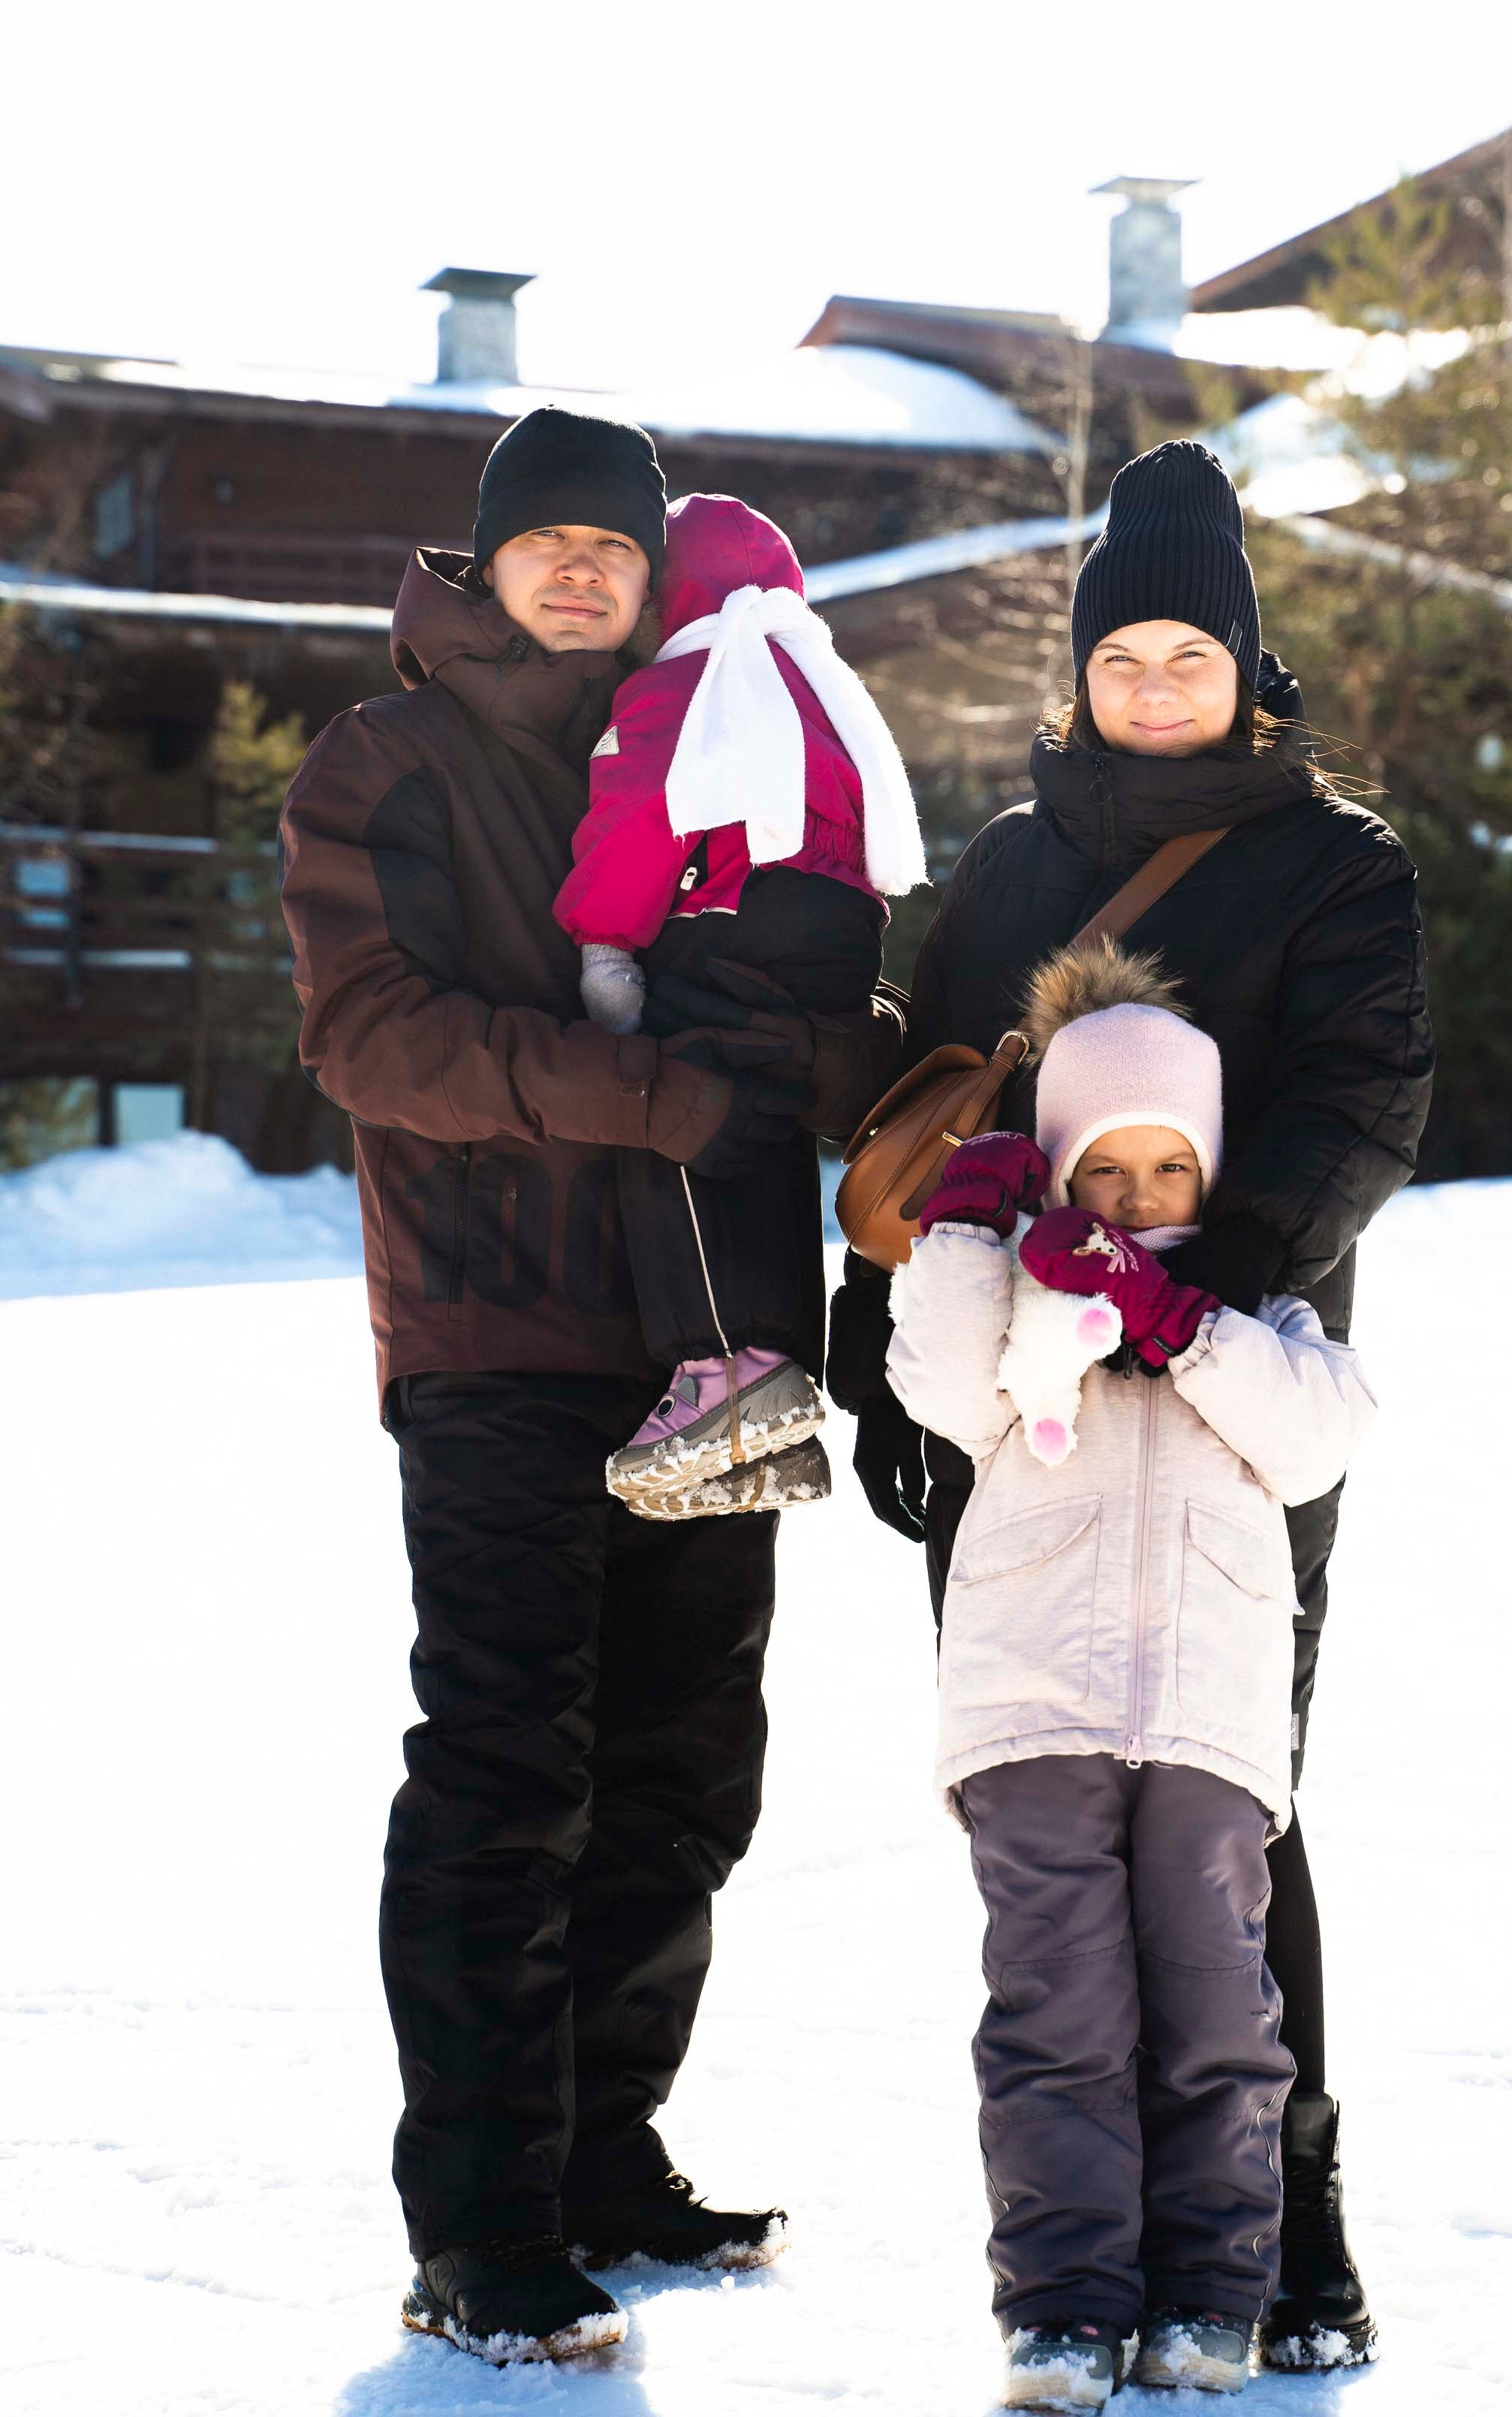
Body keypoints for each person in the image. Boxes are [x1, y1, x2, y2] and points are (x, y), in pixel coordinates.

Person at [279, 407, 901, 2365]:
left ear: (653, 573)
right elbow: (375, 1035)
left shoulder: (714, 739)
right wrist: (649, 1091)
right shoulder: (383, 760)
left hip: (710, 1334)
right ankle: (476, 2219)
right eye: (541, 540)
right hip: (495, 1336)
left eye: (610, 548)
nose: (576, 570)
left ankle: (602, 2153)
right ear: (486, 560)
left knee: (683, 1760)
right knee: (505, 1759)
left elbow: (783, 989)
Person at [829, 438, 1435, 2370]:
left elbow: (1369, 1106)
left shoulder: (1340, 866)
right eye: (1125, 658)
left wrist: (1194, 1285)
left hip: (1242, 1396)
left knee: (1232, 1812)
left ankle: (1285, 2236)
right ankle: (1078, 2268)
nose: (1156, 687)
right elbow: (926, 1104)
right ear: (1078, 673)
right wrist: (889, 1348)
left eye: (1192, 656)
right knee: (1047, 1837)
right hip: (1010, 1408)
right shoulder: (1009, 865)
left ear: (1248, 673)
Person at [887, 945, 1376, 2406]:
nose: (1139, 1199)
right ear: (1058, 1171)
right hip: (1035, 1705)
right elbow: (940, 1381)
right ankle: (1064, 2305)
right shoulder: (1024, 1313)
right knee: (1057, 2013)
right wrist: (969, 1234)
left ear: (1209, 1178)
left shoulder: (1258, 1321)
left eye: (1171, 1168)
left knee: (1222, 2017)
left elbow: (1316, 1433)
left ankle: (1214, 2295)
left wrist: (1185, 1328)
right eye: (1106, 1169)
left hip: (1213, 1726)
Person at [551, 491, 925, 1517]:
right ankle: (775, 1402)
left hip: (732, 916)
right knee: (762, 1135)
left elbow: (636, 825)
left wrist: (603, 945)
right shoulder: (821, 687)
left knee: (674, 1120)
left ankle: (721, 1372)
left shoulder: (687, 685)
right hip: (837, 941)